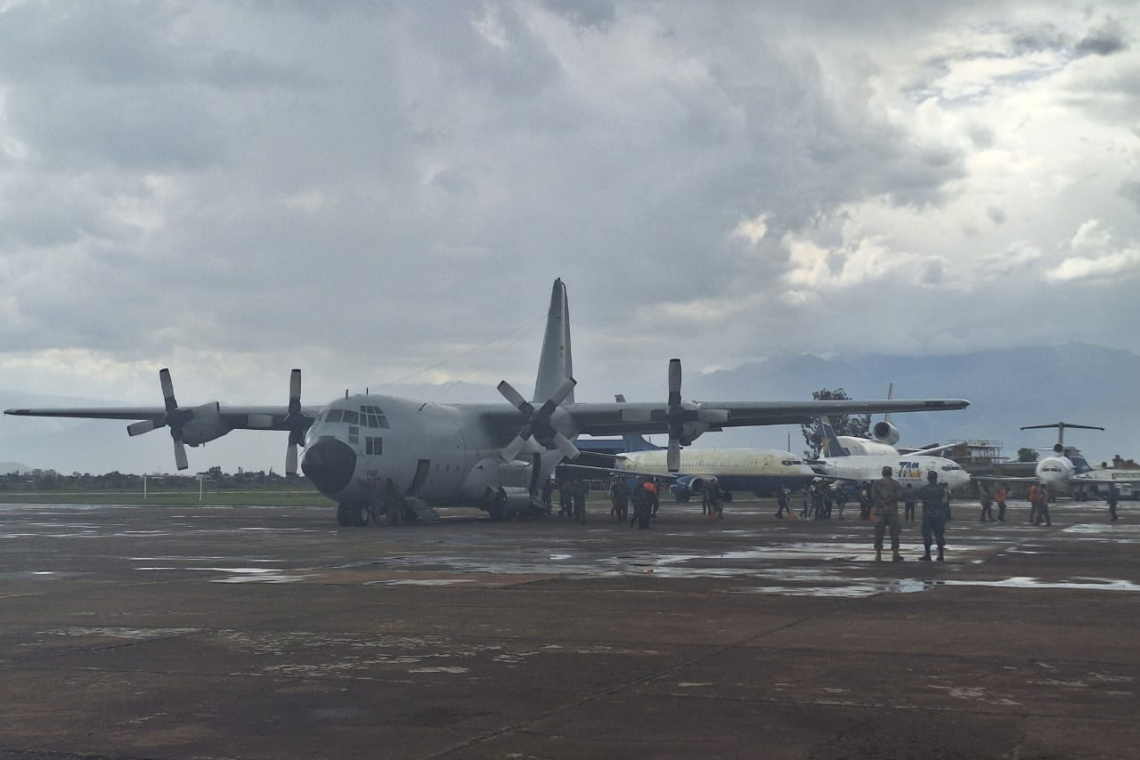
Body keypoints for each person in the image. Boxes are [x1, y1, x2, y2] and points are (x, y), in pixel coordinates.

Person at [872, 465, 905, 562]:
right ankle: (895, 553)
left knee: (879, 532)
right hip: (892, 511)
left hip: (880, 511)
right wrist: (889, 501)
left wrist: (882, 503)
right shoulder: (895, 484)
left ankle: (878, 554)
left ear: (882, 473)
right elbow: (900, 496)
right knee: (895, 532)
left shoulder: (876, 483)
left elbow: (874, 497)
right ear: (890, 473)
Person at [917, 470, 948, 561]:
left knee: (927, 534)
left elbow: (920, 497)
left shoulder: (924, 489)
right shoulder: (940, 489)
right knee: (939, 534)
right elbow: (943, 498)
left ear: (928, 478)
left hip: (927, 514)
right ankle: (941, 554)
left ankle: (927, 554)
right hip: (938, 514)